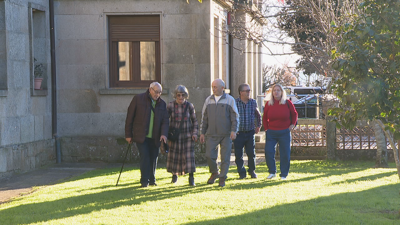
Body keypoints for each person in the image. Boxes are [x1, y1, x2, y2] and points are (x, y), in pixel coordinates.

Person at [125, 82, 169, 188]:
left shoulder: (162, 104)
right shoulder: (138, 99)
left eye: (159, 92)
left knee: (154, 157)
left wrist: (163, 134)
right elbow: (130, 117)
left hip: (155, 136)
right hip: (141, 135)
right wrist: (128, 134)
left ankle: (152, 179)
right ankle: (144, 181)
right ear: (150, 90)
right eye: (156, 91)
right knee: (145, 157)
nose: (157, 94)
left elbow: (165, 121)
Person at [200, 79, 239, 187]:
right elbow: (204, 118)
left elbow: (235, 117)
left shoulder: (230, 100)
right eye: (212, 87)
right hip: (211, 134)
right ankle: (214, 172)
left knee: (225, 158)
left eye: (215, 87)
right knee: (209, 155)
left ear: (222, 88)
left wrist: (233, 131)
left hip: (226, 134)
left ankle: (222, 177)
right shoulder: (208, 100)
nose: (213, 89)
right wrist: (202, 133)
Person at [262, 84, 298, 180]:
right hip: (271, 132)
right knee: (268, 151)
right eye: (274, 90)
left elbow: (294, 114)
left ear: (282, 92)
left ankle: (283, 174)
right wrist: (266, 129)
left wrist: (292, 125)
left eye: (278, 90)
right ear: (272, 92)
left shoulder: (287, 103)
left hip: (284, 132)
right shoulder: (268, 104)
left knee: (285, 153)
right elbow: (264, 117)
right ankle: (272, 172)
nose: (276, 92)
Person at [167, 85, 199, 186]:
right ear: (175, 95)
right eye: (178, 95)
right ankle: (174, 176)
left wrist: (194, 133)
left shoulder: (189, 106)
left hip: (187, 135)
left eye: (183, 95)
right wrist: (166, 133)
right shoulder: (170, 106)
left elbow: (195, 121)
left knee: (189, 157)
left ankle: (191, 178)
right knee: (174, 156)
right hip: (175, 136)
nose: (181, 97)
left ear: (186, 95)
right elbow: (165, 121)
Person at [234, 84, 262, 179]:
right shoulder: (235, 102)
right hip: (239, 133)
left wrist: (258, 125)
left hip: (250, 132)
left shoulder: (253, 102)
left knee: (251, 153)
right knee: (239, 154)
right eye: (246, 91)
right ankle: (241, 173)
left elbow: (258, 115)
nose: (248, 92)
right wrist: (233, 129)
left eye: (249, 90)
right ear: (241, 92)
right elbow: (231, 116)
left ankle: (252, 170)